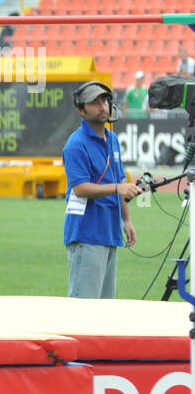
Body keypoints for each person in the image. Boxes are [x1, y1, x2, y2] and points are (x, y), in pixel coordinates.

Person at [62, 82, 139, 299]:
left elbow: (120, 178)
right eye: (94, 103)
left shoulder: (112, 139)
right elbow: (80, 188)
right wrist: (117, 188)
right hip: (87, 233)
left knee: (105, 311)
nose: (102, 106)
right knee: (84, 309)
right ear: (81, 110)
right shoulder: (75, 144)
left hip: (109, 231)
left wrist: (126, 220)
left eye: (104, 101)